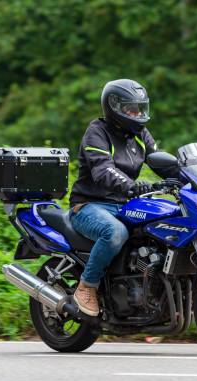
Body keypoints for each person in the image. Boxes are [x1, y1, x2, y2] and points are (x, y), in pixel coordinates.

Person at [69, 79, 158, 316]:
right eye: (131, 108)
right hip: (89, 206)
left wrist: (188, 176)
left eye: (140, 108)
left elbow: (160, 160)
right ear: (115, 107)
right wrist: (131, 186)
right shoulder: (97, 132)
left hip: (125, 205)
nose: (137, 113)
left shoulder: (140, 133)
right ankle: (86, 286)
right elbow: (103, 170)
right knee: (115, 232)